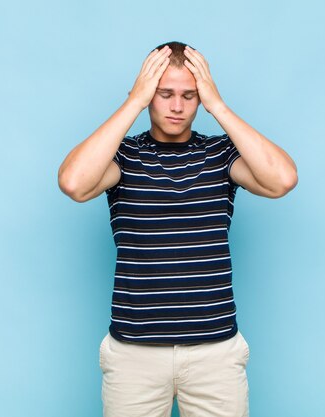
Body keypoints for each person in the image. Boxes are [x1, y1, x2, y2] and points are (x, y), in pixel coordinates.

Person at [58, 41, 297, 417]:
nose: (176, 106)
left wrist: (217, 105)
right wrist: (133, 103)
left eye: (189, 95)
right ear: (148, 94)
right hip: (134, 356)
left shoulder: (220, 155)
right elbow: (73, 183)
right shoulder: (124, 156)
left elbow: (282, 180)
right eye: (164, 93)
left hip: (214, 355)